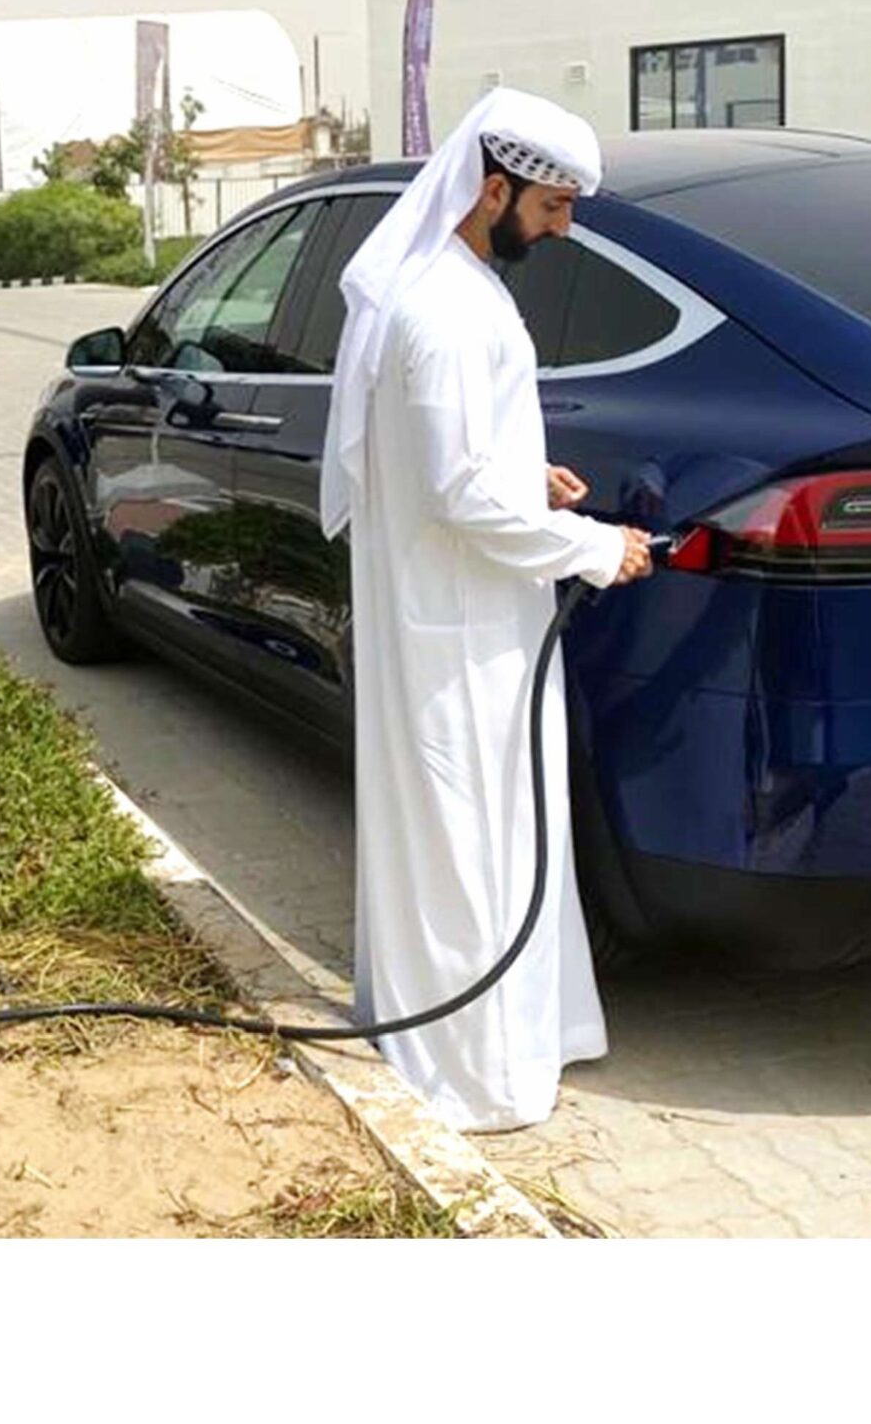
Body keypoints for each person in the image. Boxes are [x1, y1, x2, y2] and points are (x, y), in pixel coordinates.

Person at [319, 87, 654, 1133]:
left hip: (471, 618)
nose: (560, 230)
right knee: (470, 837)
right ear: (492, 186)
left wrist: (528, 469)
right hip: (456, 635)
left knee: (495, 827)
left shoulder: (457, 286)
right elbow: (460, 497)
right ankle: (472, 1068)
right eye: (551, 209)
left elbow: (458, 461)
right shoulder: (440, 310)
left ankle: (517, 1037)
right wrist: (597, 547)